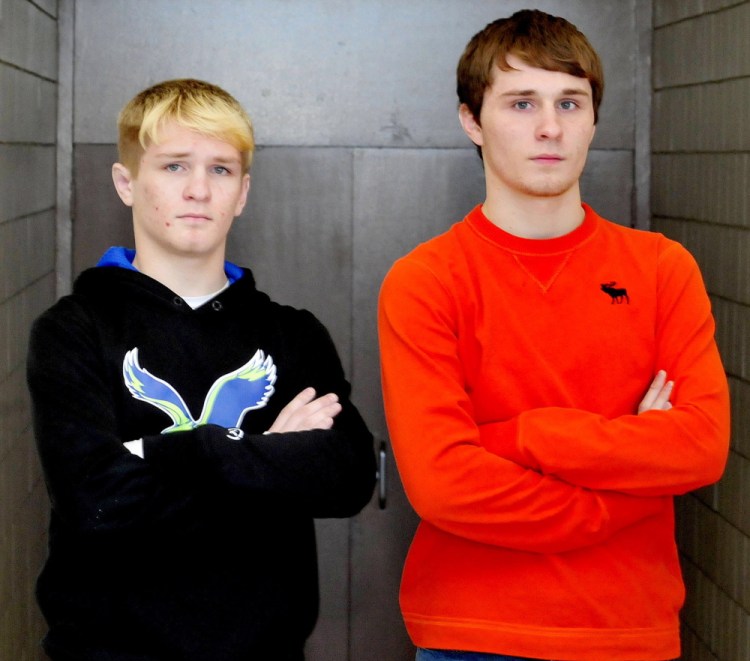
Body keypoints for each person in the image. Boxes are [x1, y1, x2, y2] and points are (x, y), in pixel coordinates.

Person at [378, 9, 729, 661]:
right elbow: (443, 484)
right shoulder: (425, 280)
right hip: (471, 633)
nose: (550, 127)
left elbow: (700, 448)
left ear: (594, 118)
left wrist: (520, 436)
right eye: (520, 102)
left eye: (571, 101)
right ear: (471, 120)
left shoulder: (660, 268)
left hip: (627, 627)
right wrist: (627, 483)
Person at [27, 78, 375, 661]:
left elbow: (347, 478)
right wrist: (270, 454)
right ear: (126, 183)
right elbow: (97, 504)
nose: (197, 190)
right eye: (173, 166)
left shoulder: (292, 334)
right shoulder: (74, 331)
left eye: (220, 170)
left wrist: (179, 452)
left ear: (242, 192)